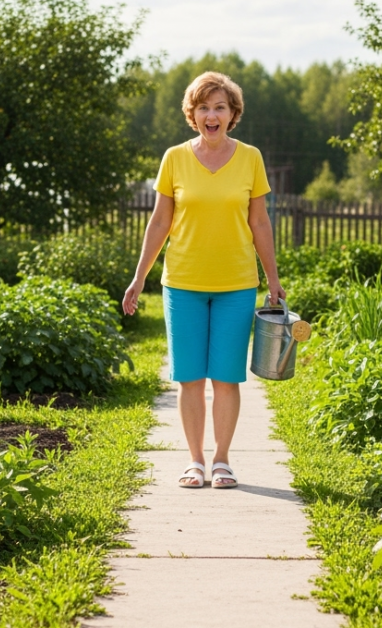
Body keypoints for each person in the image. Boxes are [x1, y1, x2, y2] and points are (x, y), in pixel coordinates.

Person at [122, 71, 284, 489]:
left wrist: (272, 279)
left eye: (220, 107)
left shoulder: (250, 158)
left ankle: (222, 460)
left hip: (237, 284)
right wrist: (139, 277)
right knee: (190, 377)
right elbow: (160, 222)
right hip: (183, 283)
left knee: (226, 378)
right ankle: (195, 461)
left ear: (233, 114)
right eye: (204, 107)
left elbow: (259, 222)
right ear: (192, 114)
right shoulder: (174, 158)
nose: (212, 115)